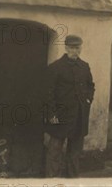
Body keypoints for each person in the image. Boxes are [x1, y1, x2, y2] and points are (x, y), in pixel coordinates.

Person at [44, 35, 95, 177]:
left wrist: (88, 100)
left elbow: (91, 86)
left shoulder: (84, 66)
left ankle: (72, 179)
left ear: (81, 48)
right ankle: (52, 180)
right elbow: (48, 93)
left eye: (77, 48)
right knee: (55, 150)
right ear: (66, 48)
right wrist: (52, 115)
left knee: (75, 152)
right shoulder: (55, 67)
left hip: (79, 115)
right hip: (60, 115)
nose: (75, 51)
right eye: (72, 48)